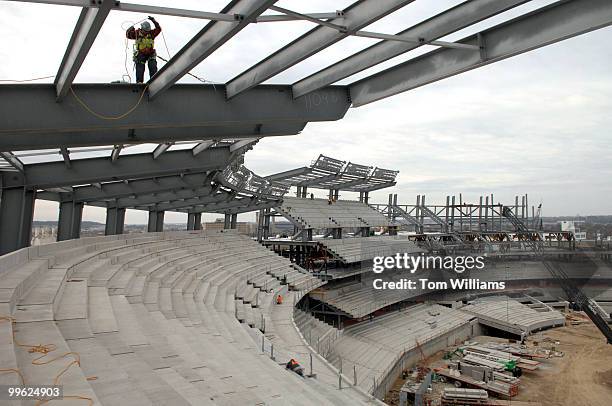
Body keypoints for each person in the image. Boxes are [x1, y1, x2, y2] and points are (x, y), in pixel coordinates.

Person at [126, 16, 162, 83]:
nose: (146, 32)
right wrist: (130, 29)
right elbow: (128, 35)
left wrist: (154, 21)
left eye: (147, 31)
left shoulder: (151, 33)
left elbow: (158, 29)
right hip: (141, 54)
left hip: (150, 53)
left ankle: (154, 81)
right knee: (140, 67)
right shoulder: (136, 33)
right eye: (145, 31)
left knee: (153, 66)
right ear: (142, 29)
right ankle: (139, 82)